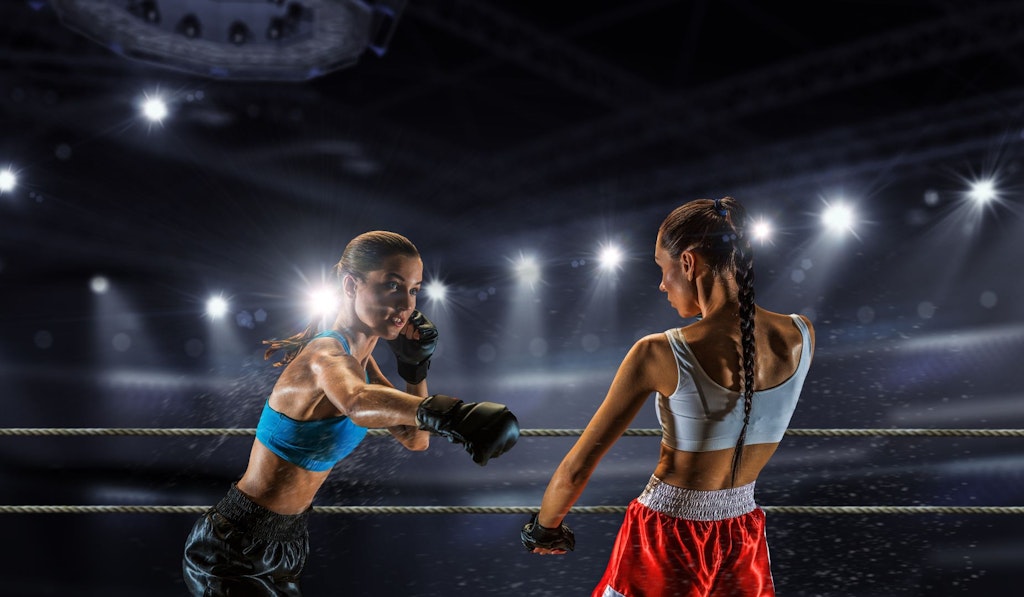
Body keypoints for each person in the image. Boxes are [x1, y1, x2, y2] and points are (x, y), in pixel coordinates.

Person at [183, 230, 520, 596]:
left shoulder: (362, 362)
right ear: (350, 285)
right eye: (392, 285)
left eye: (413, 289)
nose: (406, 303)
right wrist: (455, 414)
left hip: (287, 544)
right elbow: (357, 402)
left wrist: (414, 371)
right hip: (233, 547)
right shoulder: (325, 355)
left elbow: (415, 438)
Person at [521, 197, 815, 597]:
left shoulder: (658, 351)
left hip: (666, 535)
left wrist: (544, 529)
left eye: (663, 268)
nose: (661, 284)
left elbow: (579, 465)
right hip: (743, 534)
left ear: (690, 263)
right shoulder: (801, 334)